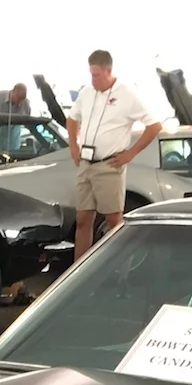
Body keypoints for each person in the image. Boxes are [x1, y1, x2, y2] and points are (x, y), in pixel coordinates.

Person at [67, 49, 161, 259]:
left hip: (109, 165)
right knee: (82, 218)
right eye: (91, 74)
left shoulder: (127, 94)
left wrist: (131, 153)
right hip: (86, 163)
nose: (93, 80)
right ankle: (77, 269)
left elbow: (154, 126)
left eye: (96, 75)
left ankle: (120, 273)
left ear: (108, 70)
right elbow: (72, 118)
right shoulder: (87, 93)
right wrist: (73, 145)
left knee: (113, 221)